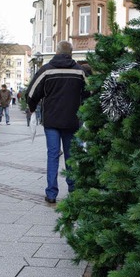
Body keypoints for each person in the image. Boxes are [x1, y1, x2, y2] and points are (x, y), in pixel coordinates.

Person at [26, 40, 87, 203]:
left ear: (56, 52)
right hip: (72, 120)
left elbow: (32, 93)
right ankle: (73, 190)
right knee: (70, 156)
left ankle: (51, 194)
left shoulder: (46, 70)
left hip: (52, 121)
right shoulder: (80, 71)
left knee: (53, 155)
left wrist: (32, 108)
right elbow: (91, 92)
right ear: (71, 53)